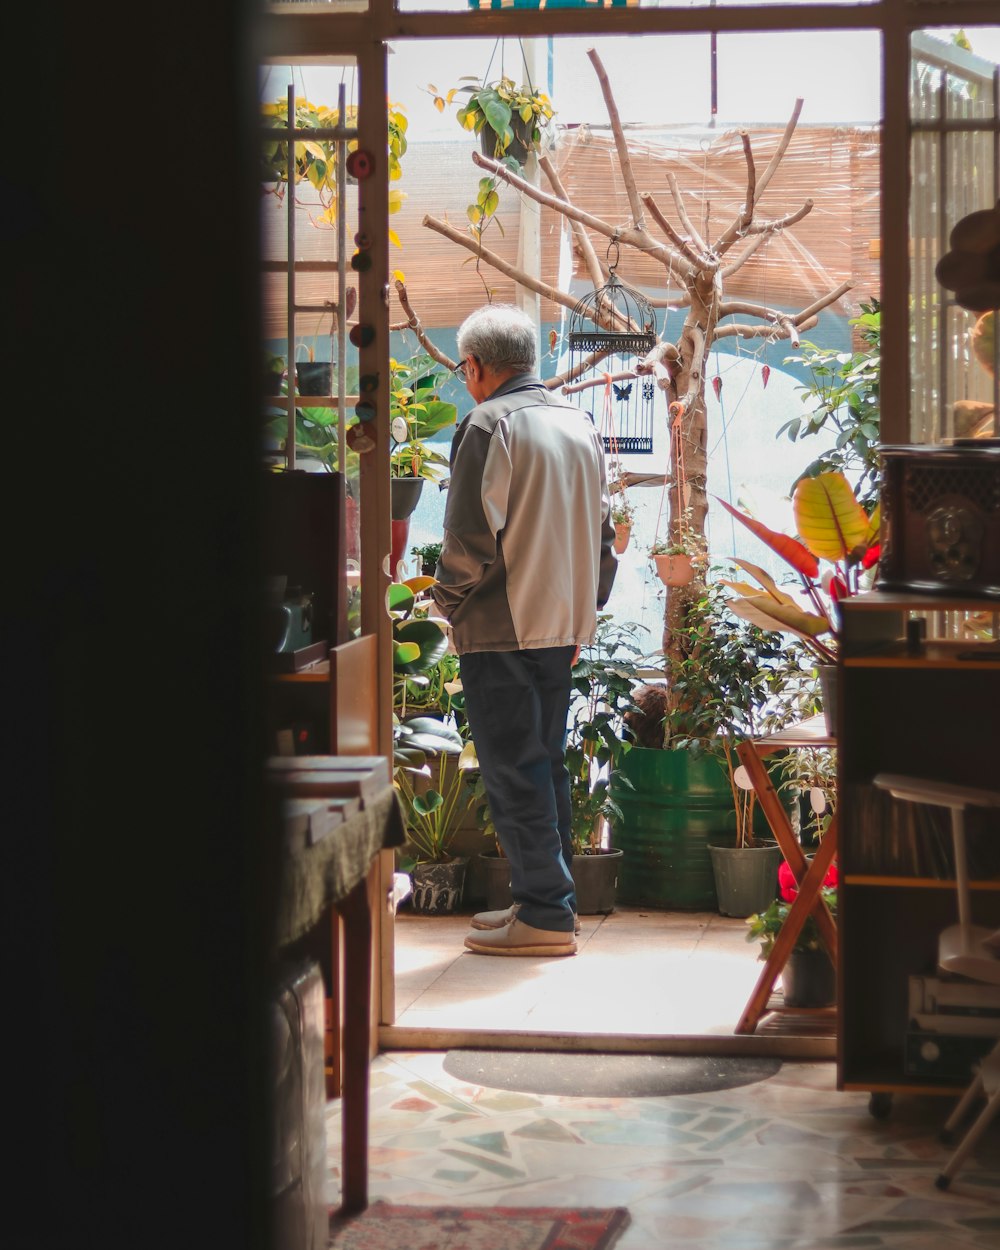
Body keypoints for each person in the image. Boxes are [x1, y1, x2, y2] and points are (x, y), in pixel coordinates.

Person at [431, 304, 617, 957]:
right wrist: (589, 603)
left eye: (465, 369)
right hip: (560, 622)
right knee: (545, 763)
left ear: (476, 366)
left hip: (501, 622)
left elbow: (468, 540)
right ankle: (547, 906)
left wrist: (444, 601)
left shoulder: (487, 424)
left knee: (514, 767)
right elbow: (604, 531)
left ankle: (543, 913)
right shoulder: (577, 421)